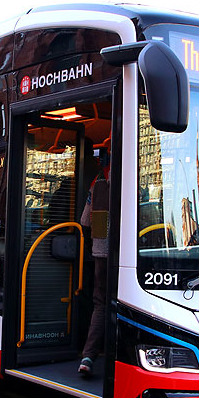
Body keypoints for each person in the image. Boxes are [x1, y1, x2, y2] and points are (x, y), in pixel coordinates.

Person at [78, 148, 111, 377]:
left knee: (100, 302)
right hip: (128, 255)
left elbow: (85, 220)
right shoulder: (133, 177)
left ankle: (88, 355)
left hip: (101, 251)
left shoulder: (97, 181)